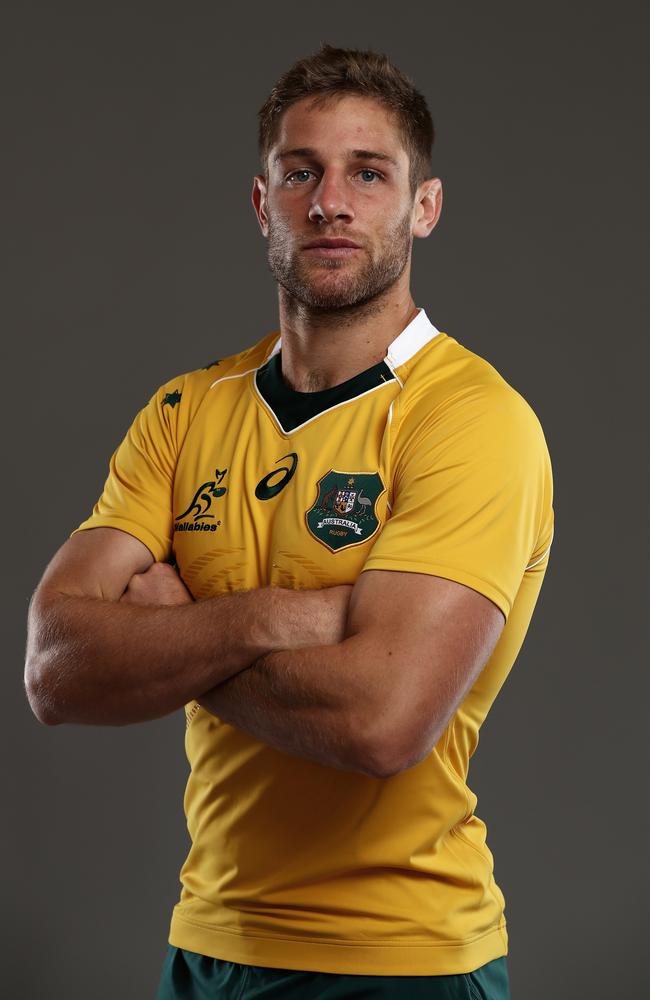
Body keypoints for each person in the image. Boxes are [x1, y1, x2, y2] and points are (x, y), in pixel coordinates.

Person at [25, 43, 553, 1000]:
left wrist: (171, 627)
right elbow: (56, 670)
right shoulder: (187, 411)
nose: (331, 202)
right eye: (300, 171)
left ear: (422, 207)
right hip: (209, 946)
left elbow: (382, 722)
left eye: (369, 172)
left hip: (404, 958)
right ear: (263, 202)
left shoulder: (471, 419)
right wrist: (276, 616)